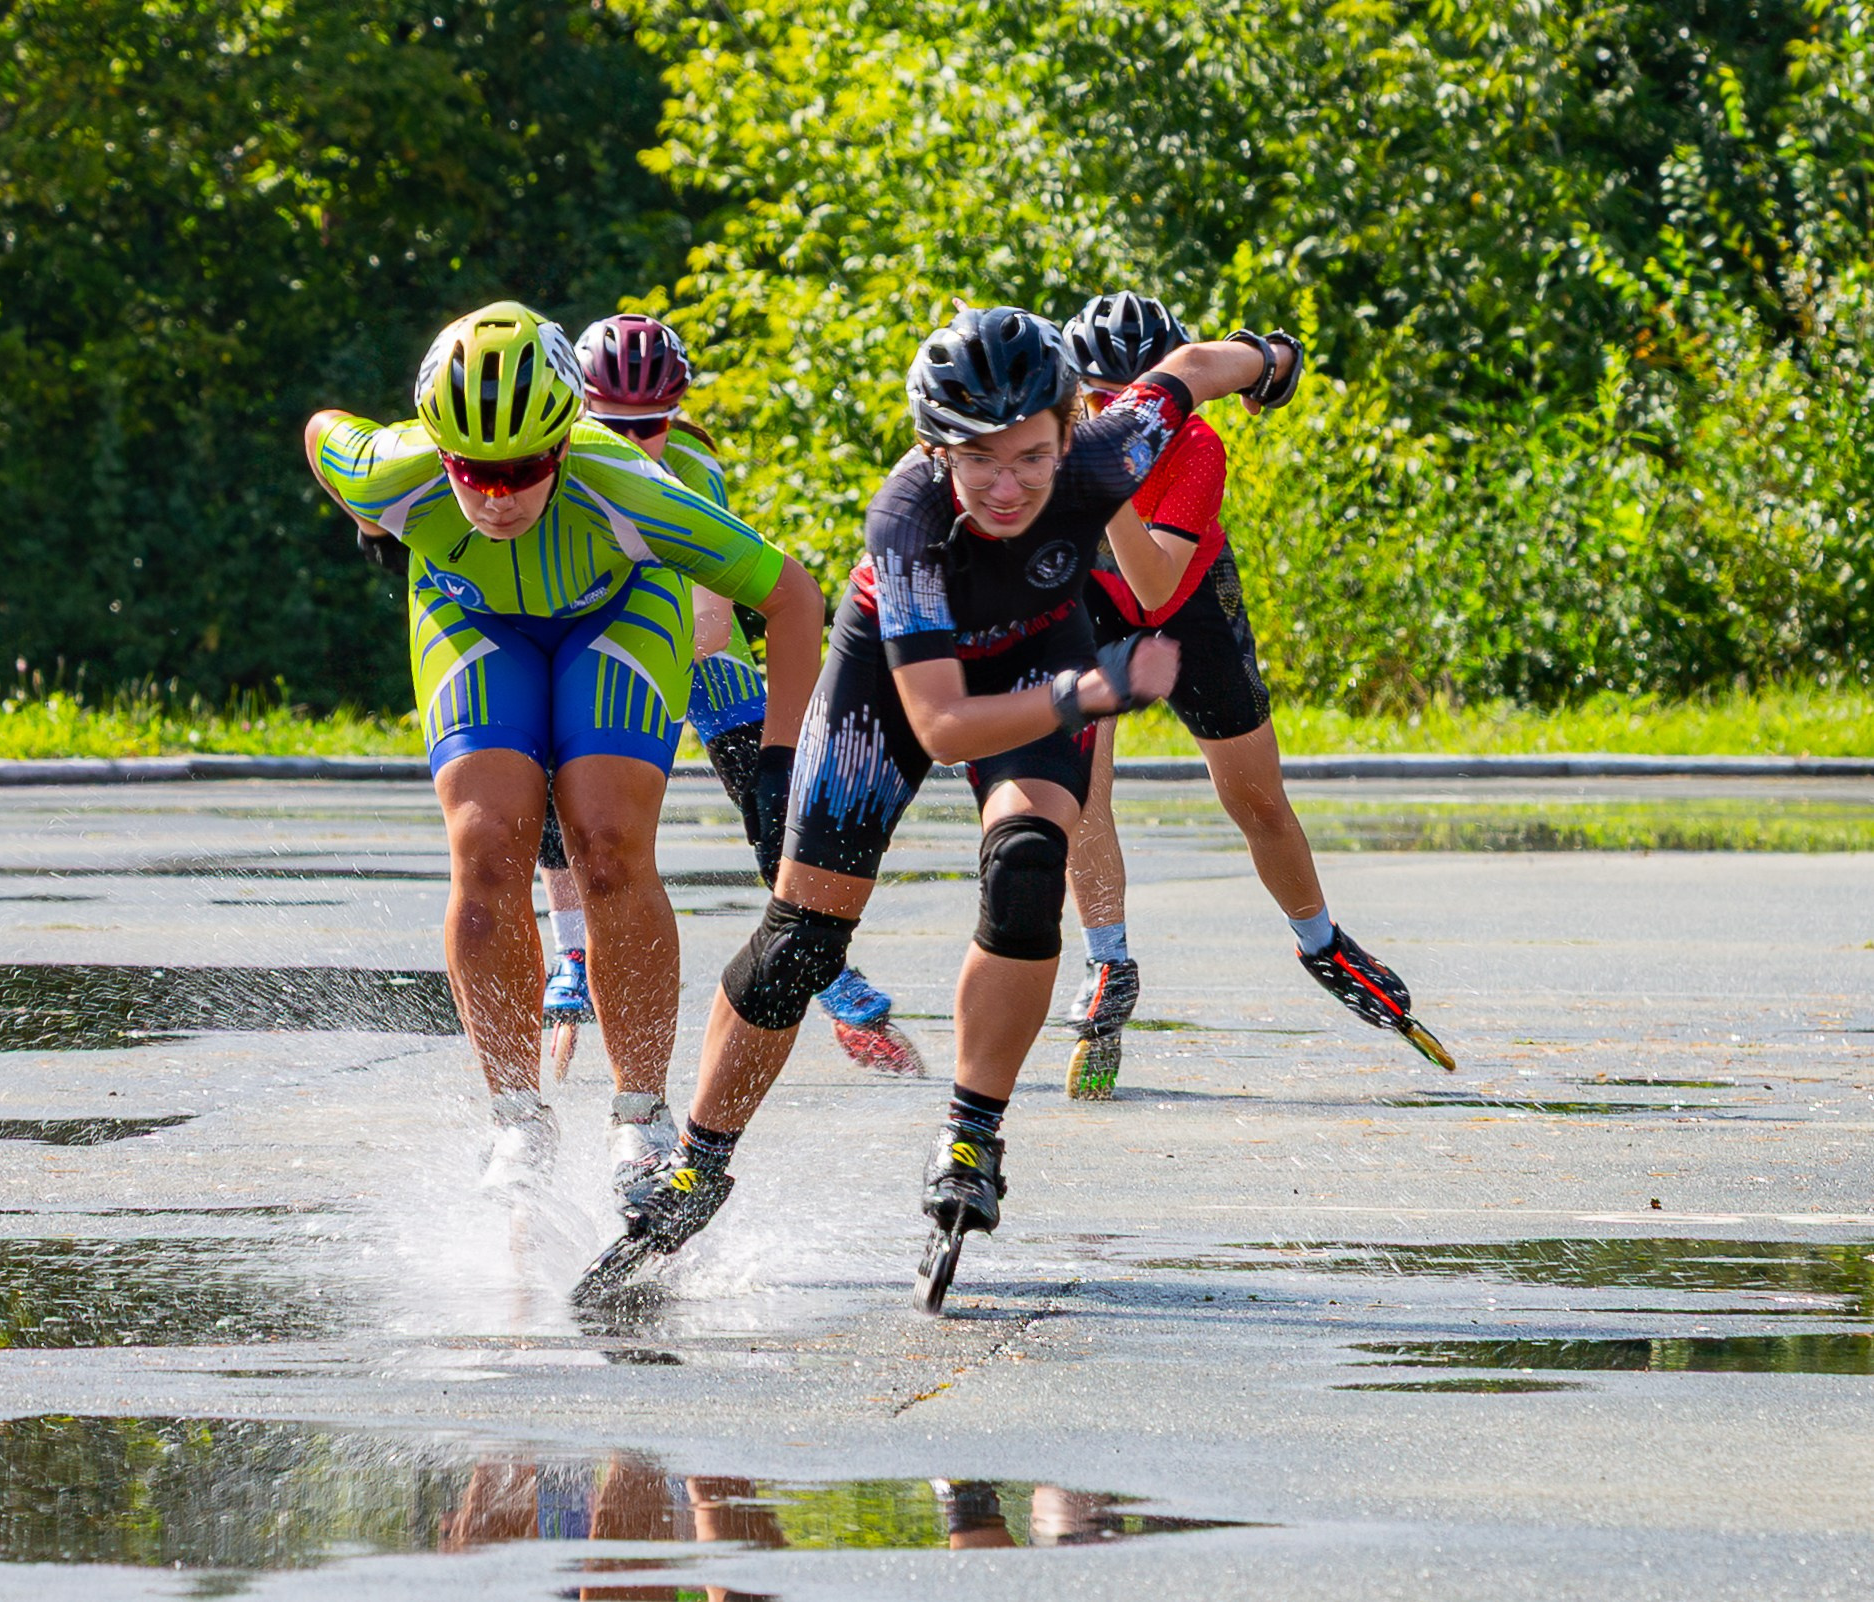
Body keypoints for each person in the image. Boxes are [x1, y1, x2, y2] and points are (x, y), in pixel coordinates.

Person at [576, 304, 1303, 1306]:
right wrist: (1093, 691)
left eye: (1033, 459)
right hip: (901, 681)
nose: (1008, 486)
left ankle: (971, 1132)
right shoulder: (907, 521)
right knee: (803, 942)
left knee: (1027, 870)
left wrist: (1270, 359)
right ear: (933, 449)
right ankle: (701, 1158)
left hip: (1038, 654)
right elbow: (945, 722)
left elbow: (1187, 370)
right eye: (979, 463)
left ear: (1069, 432)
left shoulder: (1106, 450)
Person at [305, 301, 826, 1203]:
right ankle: (515, 1116)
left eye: (522, 471)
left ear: (563, 441)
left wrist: (781, 763)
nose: (496, 498)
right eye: (473, 473)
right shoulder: (389, 471)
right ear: (437, 447)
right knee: (486, 846)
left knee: (609, 849)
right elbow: (321, 433)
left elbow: (793, 600)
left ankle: (639, 1117)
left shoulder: (626, 483)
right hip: (472, 623)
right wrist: (375, 523)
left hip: (616, 618)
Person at [1057, 291, 1452, 1097]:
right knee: (1076, 793)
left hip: (1185, 602)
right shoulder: (1052, 441)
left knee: (1256, 801)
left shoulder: (1197, 447)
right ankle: (1107, 964)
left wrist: (1108, 486)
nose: (1117, 410)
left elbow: (1157, 587)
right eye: (1098, 394)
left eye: (1133, 395)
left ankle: (1321, 943)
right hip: (1091, 602)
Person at [537, 314, 925, 1078]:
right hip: (596, 630)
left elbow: (711, 622)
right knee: (557, 783)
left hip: (685, 635)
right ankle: (571, 952)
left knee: (772, 805)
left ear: (676, 411)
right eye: (614, 424)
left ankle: (827, 970)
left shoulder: (688, 463)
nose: (637, 439)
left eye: (651, 423)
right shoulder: (553, 459)